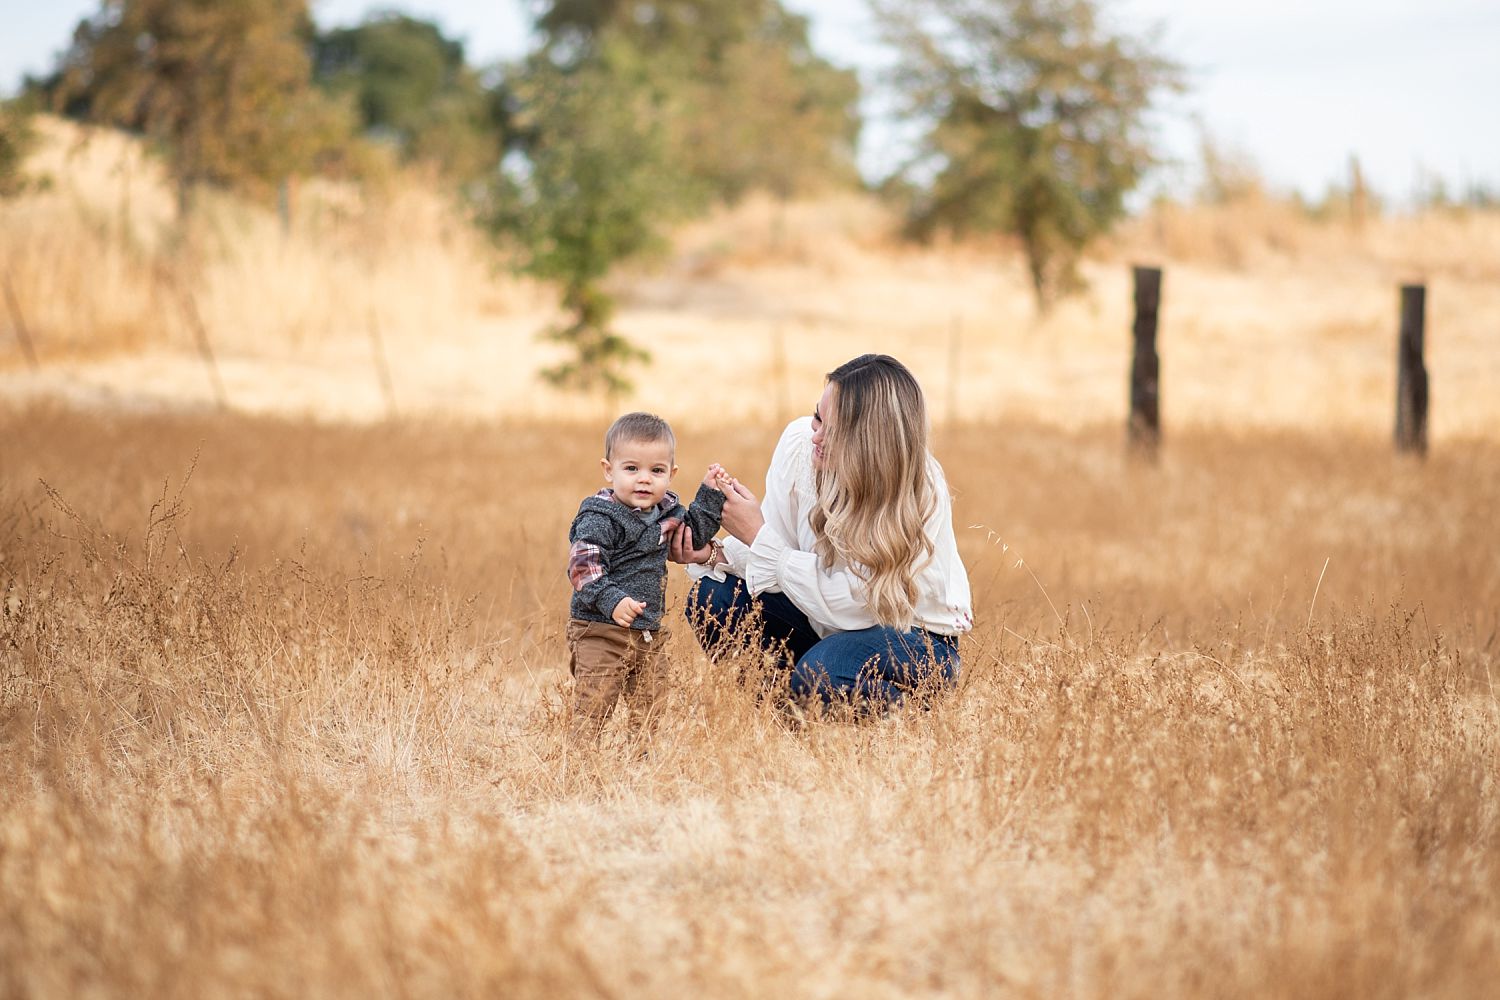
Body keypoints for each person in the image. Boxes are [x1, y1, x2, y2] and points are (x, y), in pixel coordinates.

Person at [671, 354, 972, 709]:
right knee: (713, 597)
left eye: (836, 430)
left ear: (872, 442)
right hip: (823, 622)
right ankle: (786, 721)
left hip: (914, 638)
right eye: (818, 417)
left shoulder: (918, 490)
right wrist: (712, 553)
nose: (817, 435)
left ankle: (914, 722)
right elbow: (777, 557)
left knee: (822, 676)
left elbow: (857, 606)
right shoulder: (800, 444)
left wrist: (758, 536)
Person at [565, 411, 731, 740]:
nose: (644, 479)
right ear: (608, 470)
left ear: (671, 473)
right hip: (601, 630)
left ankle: (642, 763)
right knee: (595, 705)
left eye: (656, 471)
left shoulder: (665, 514)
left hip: (648, 634)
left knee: (651, 703)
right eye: (631, 469)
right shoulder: (601, 516)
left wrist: (710, 494)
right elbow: (584, 567)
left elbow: (693, 536)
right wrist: (613, 600)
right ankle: (581, 768)